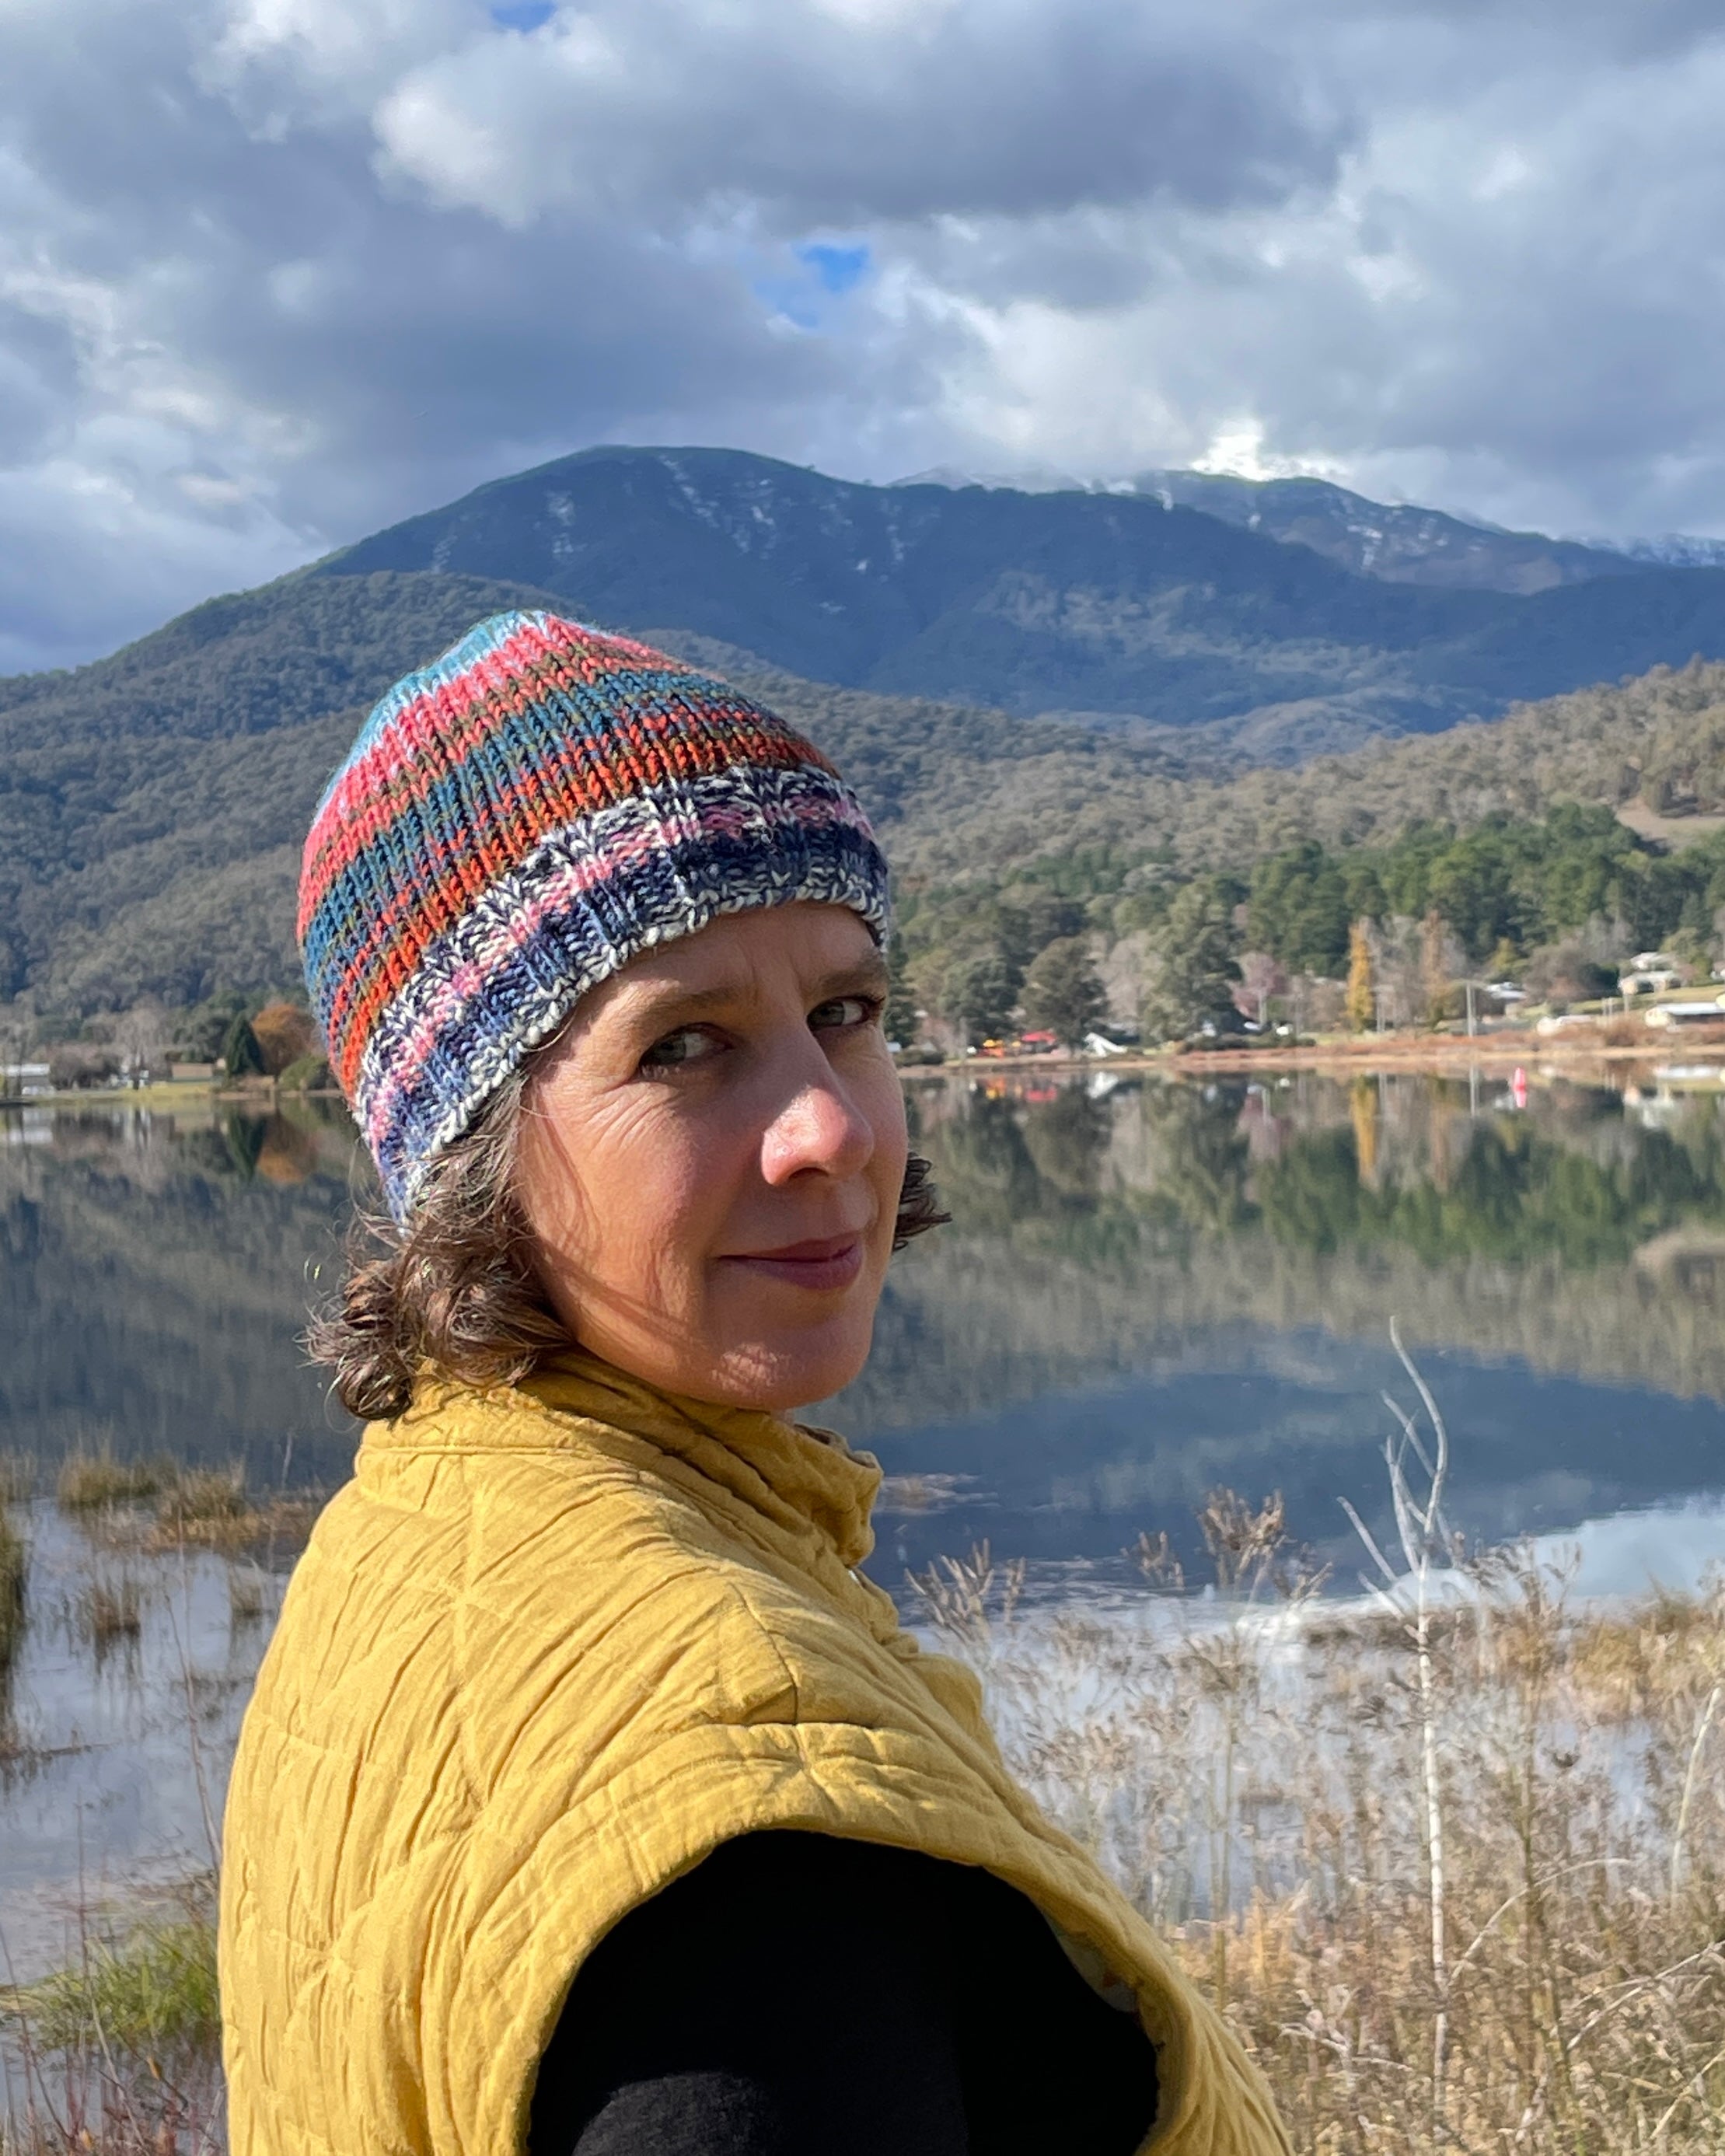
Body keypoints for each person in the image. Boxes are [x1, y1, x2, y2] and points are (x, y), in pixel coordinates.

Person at [217, 611, 1289, 2156]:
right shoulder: (753, 1854)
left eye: (845, 1012)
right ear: (474, 1160)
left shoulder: (408, 1535)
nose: (831, 1126)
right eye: (685, 1046)